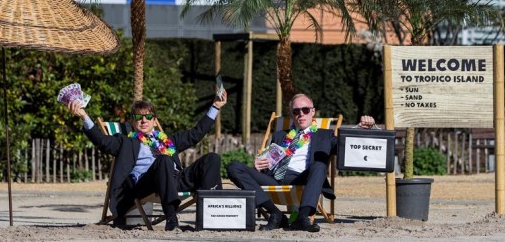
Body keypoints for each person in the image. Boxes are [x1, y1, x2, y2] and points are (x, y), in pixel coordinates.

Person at [67, 90, 227, 231]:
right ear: (133, 121)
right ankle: (171, 218)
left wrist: (216, 106)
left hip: (174, 179)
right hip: (146, 184)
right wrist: (84, 116)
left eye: (148, 116)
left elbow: (195, 134)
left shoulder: (167, 140)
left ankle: (214, 214)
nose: (144, 120)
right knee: (164, 160)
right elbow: (102, 141)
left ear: (154, 121)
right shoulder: (126, 142)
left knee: (212, 159)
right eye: (139, 117)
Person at [226, 93, 375, 232]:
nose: (301, 114)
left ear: (312, 111)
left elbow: (347, 145)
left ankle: (303, 217)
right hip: (274, 177)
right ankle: (275, 214)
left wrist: (363, 129)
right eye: (296, 111)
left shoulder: (325, 135)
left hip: (304, 176)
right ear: (292, 114)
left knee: (319, 165)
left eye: (305, 109)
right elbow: (270, 160)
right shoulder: (280, 135)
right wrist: (258, 165)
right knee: (234, 167)